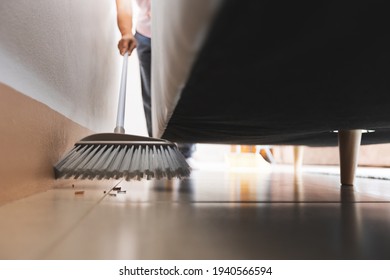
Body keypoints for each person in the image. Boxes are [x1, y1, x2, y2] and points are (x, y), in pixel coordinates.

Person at [115, 0, 195, 160]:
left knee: (183, 92)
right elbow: (123, 3)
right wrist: (126, 33)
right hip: (146, 35)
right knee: (151, 95)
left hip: (179, 31)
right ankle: (159, 149)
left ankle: (185, 153)